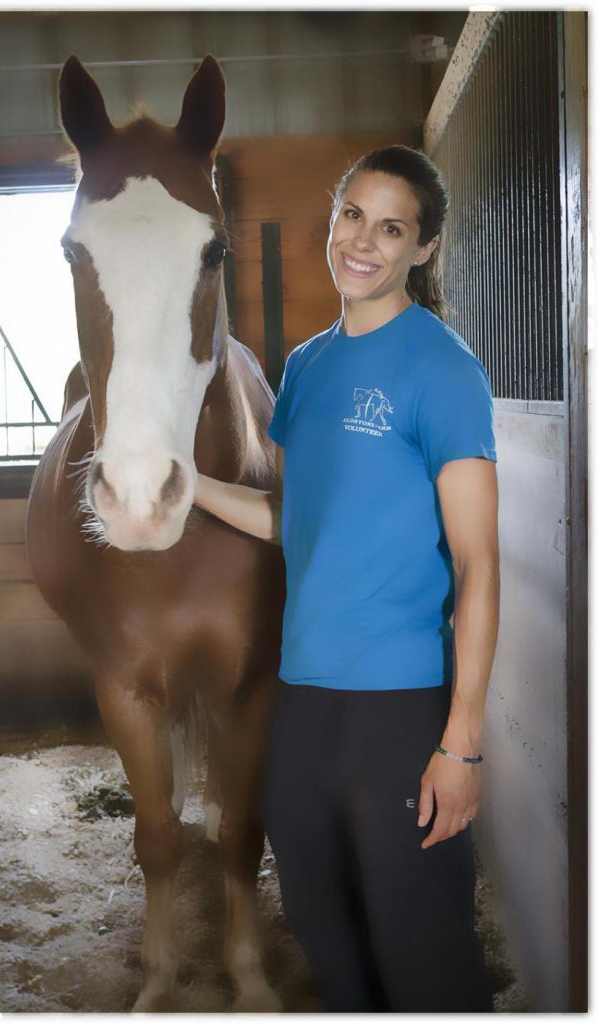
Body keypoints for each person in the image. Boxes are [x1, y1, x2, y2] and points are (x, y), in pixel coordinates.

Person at [194, 145, 499, 1013]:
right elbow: (294, 523)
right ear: (333, 219)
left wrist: (461, 742)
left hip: (400, 709)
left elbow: (479, 567)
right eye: (353, 215)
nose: (363, 241)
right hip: (305, 702)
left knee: (422, 948)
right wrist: (191, 489)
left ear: (422, 249)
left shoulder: (442, 369)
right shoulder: (307, 369)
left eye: (391, 227)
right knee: (323, 929)